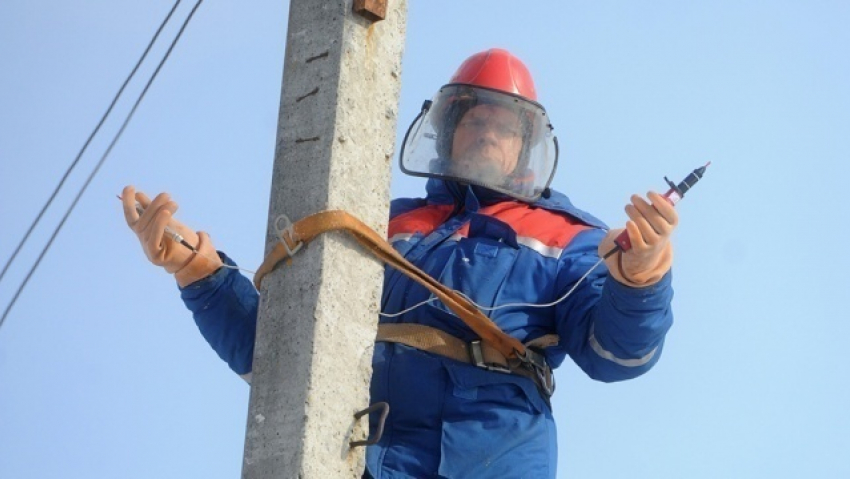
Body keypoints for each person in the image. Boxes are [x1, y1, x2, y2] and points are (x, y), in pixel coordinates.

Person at [122, 48, 676, 479]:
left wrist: (640, 279)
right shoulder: (376, 223)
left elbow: (616, 357)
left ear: (525, 149)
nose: (486, 133)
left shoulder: (573, 238)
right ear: (448, 132)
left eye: (503, 127)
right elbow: (285, 357)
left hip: (488, 459)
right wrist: (199, 273)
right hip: (357, 455)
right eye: (473, 121)